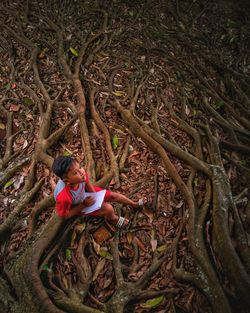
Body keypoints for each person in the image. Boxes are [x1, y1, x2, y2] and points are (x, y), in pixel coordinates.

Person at [52, 156, 146, 228]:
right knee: (108, 208)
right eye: (75, 173)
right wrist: (83, 205)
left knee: (114, 196)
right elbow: (64, 215)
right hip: (79, 205)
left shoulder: (81, 176)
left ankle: (134, 204)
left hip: (85, 194)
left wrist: (97, 197)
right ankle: (113, 219)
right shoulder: (64, 197)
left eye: (80, 167)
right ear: (66, 181)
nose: (81, 172)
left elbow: (87, 183)